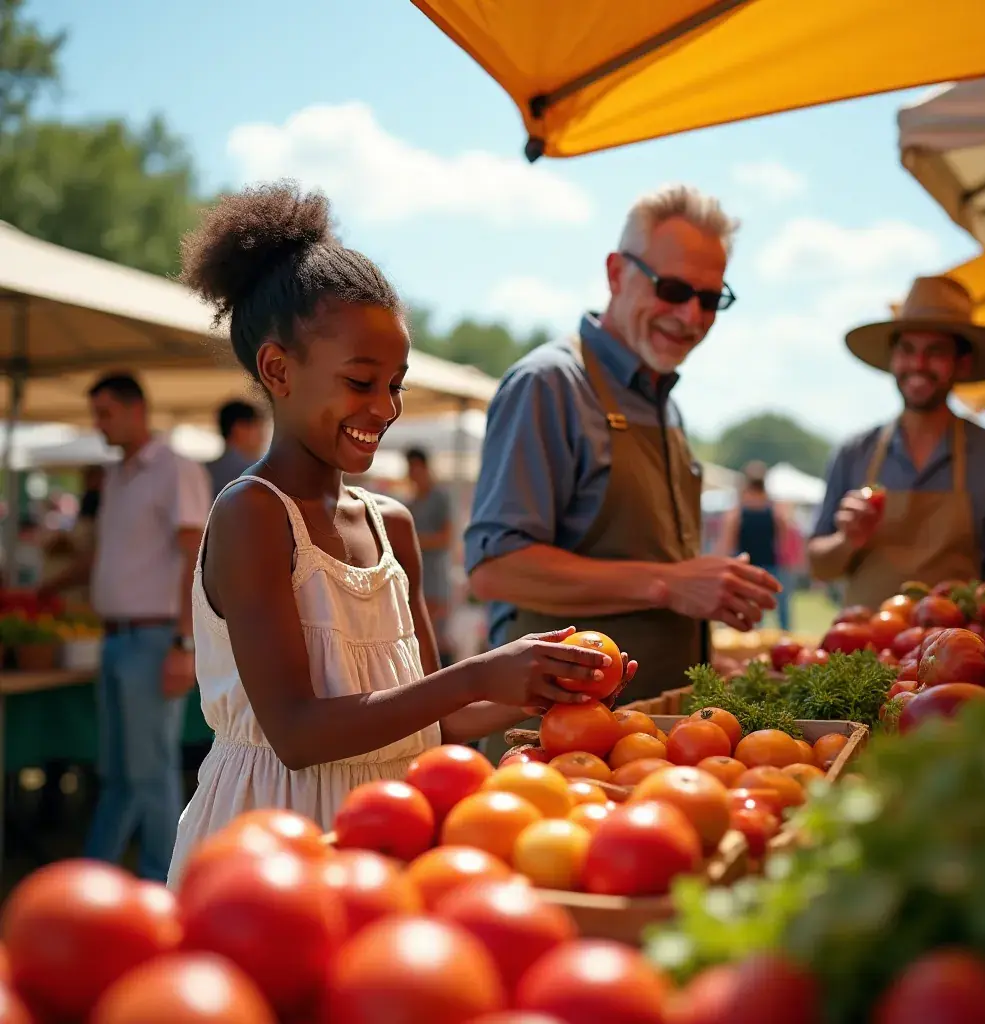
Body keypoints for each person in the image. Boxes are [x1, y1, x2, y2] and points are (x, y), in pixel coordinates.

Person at [166, 181, 635, 888]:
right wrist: (477, 673)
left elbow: (432, 719)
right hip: (273, 845)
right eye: (361, 382)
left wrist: (544, 690)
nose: (385, 408)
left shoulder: (392, 526)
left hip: (390, 830)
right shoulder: (253, 514)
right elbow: (296, 733)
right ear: (277, 370)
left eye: (396, 384)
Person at [464, 184, 780, 701]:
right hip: (558, 732)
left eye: (709, 299)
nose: (692, 316)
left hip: (654, 728)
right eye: (672, 290)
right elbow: (496, 570)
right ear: (616, 273)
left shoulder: (665, 405)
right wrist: (669, 583)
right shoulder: (550, 384)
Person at [38, 374, 212, 882]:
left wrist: (184, 643)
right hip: (117, 639)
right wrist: (51, 586)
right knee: (118, 775)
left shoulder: (175, 469)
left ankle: (160, 882)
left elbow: (195, 558)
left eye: (105, 413)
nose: (98, 425)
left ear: (138, 410)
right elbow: (106, 555)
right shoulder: (116, 476)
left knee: (149, 775)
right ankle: (98, 878)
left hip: (155, 638)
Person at [809, 276, 985, 608]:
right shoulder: (854, 452)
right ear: (892, 358)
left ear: (962, 364)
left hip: (956, 639)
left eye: (935, 352)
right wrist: (847, 539)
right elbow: (818, 566)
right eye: (907, 350)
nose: (918, 365)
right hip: (863, 637)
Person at [716, 461, 793, 631]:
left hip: (747, 569)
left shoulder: (737, 512)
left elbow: (727, 544)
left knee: (751, 616)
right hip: (771, 566)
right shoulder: (775, 511)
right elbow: (784, 541)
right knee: (782, 615)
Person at [403, 447, 454, 666]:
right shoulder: (411, 502)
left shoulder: (440, 497)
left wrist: (414, 540)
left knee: (434, 634)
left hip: (435, 575)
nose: (412, 473)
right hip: (414, 575)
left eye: (414, 468)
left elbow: (446, 538)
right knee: (419, 633)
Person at [206, 399, 266, 496]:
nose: (262, 437)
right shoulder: (257, 473)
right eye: (258, 428)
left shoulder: (204, 471)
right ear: (239, 429)